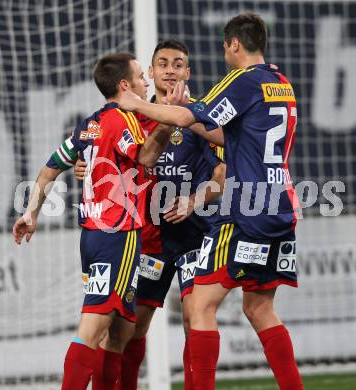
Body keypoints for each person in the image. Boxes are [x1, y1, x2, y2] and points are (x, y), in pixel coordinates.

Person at [118, 12, 304, 390]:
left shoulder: (240, 81)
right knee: (259, 307)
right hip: (280, 204)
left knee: (200, 307)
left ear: (234, 44)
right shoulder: (282, 83)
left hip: (244, 211)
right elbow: (229, 134)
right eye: (162, 64)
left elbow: (190, 117)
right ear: (151, 71)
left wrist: (137, 105)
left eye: (225, 45)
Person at [12, 52, 174, 390]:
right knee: (94, 329)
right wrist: (169, 120)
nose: (147, 82)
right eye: (142, 77)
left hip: (93, 237)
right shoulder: (122, 120)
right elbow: (145, 156)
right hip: (119, 236)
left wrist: (31, 213)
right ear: (125, 85)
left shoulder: (90, 124)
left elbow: (49, 169)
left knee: (120, 330)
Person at [74, 39, 226, 390]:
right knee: (129, 328)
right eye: (162, 63)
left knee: (195, 318)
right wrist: (86, 165)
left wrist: (193, 200)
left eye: (178, 64)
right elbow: (102, 153)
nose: (170, 69)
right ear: (152, 71)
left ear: (188, 72)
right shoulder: (132, 115)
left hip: (194, 236)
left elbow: (223, 175)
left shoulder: (202, 116)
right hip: (147, 238)